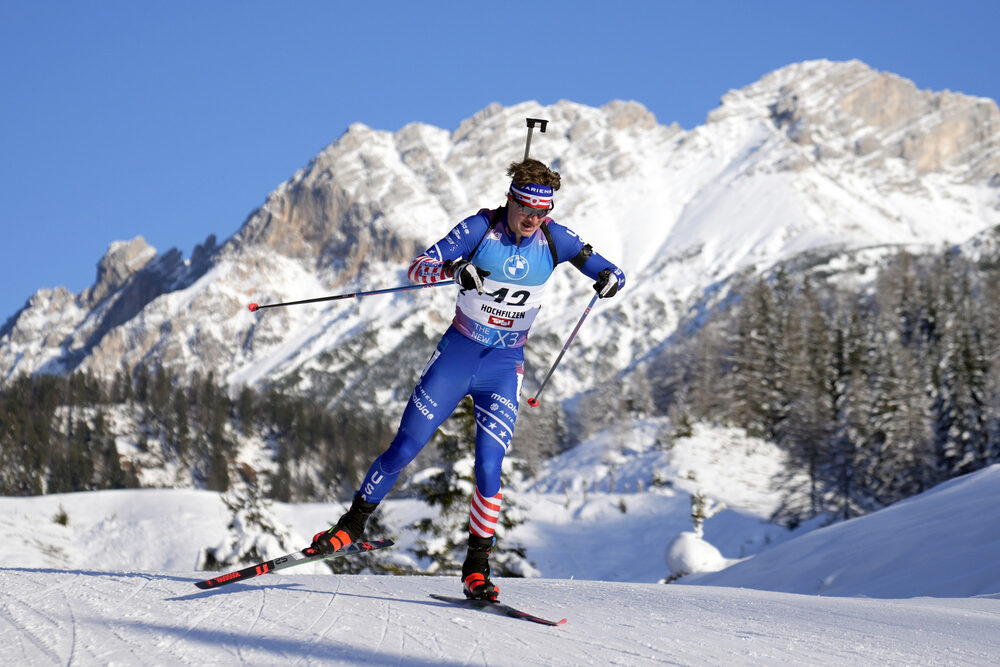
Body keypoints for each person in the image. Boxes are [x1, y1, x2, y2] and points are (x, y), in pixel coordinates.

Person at [309, 158, 625, 600]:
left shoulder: (557, 237)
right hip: (458, 356)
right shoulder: (480, 228)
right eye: (527, 210)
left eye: (542, 213)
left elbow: (611, 272)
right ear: (511, 200)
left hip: (504, 367)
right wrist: (453, 269)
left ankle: (476, 568)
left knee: (490, 469)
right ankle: (351, 527)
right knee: (405, 447)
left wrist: (610, 279)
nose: (534, 220)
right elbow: (418, 266)